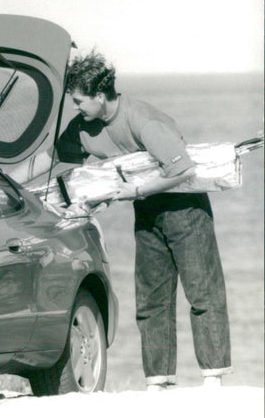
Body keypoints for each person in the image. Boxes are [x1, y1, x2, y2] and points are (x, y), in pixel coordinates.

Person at [53, 50, 232, 391]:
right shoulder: (83, 127)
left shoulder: (142, 119)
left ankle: (213, 376)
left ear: (99, 95)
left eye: (78, 101)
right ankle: (158, 381)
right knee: (151, 299)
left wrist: (136, 190)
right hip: (146, 211)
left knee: (203, 293)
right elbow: (58, 162)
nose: (75, 108)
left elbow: (183, 170)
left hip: (185, 208)